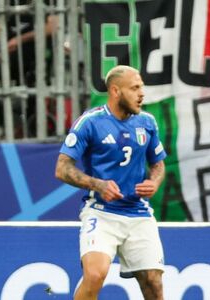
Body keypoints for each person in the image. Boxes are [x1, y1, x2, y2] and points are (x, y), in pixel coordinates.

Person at [55, 65, 167, 300]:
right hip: (101, 212)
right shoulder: (90, 122)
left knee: (154, 283)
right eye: (135, 88)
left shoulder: (147, 122)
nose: (142, 93)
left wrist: (154, 182)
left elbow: (158, 163)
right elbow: (62, 168)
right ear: (115, 91)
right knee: (95, 275)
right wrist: (98, 185)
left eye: (142, 87)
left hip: (138, 213)